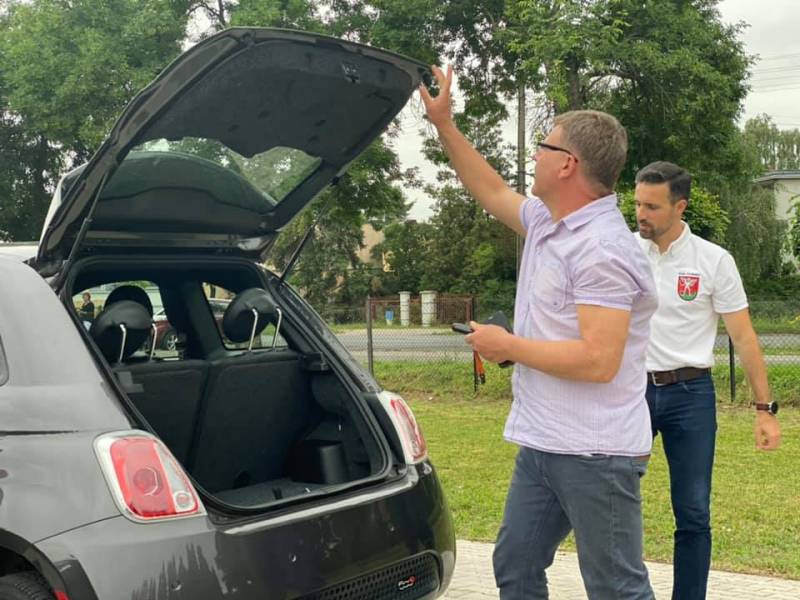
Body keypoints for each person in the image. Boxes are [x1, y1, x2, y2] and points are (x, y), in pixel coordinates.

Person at [420, 65, 657, 599]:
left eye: (543, 148)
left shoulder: (602, 249)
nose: (534, 157)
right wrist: (445, 125)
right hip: (544, 441)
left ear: (568, 164)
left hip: (596, 452)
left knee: (616, 587)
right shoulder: (550, 222)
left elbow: (599, 361)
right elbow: (490, 189)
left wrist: (509, 347)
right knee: (517, 564)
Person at [633, 161, 781, 599]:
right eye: (637, 204)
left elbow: (744, 337)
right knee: (615, 502)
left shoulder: (713, 261)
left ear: (680, 207)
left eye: (652, 207)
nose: (641, 214)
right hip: (630, 393)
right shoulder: (624, 252)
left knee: (693, 512)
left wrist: (764, 409)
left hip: (690, 396)